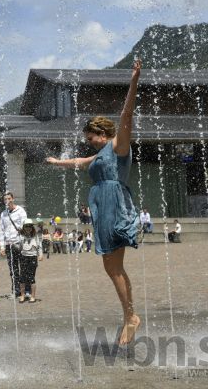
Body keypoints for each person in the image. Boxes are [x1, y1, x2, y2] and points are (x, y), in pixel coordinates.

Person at [46, 59, 142, 345]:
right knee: (111, 267)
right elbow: (79, 161)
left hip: (114, 204)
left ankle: (131, 317)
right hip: (104, 206)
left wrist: (134, 80)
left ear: (102, 133)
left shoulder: (117, 144)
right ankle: (129, 316)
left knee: (113, 267)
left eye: (91, 138)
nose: (90, 143)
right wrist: (56, 161)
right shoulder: (99, 154)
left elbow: (127, 114)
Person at [0, 191, 27, 299]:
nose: (7, 201)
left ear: (13, 199)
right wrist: (2, 246)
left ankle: (25, 291)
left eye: (9, 199)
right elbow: (1, 230)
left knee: (23, 268)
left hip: (19, 244)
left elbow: (26, 227)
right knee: (13, 270)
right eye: (5, 199)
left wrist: (23, 242)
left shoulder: (20, 211)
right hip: (8, 245)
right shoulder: (3, 214)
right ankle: (16, 291)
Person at [19, 219, 43, 303]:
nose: (28, 228)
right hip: (23, 257)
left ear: (32, 227)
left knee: (31, 277)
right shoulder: (21, 236)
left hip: (32, 257)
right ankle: (22, 295)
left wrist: (40, 255)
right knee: (22, 277)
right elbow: (19, 247)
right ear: (24, 227)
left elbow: (39, 246)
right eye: (26, 226)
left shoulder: (36, 236)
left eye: (30, 226)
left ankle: (33, 296)